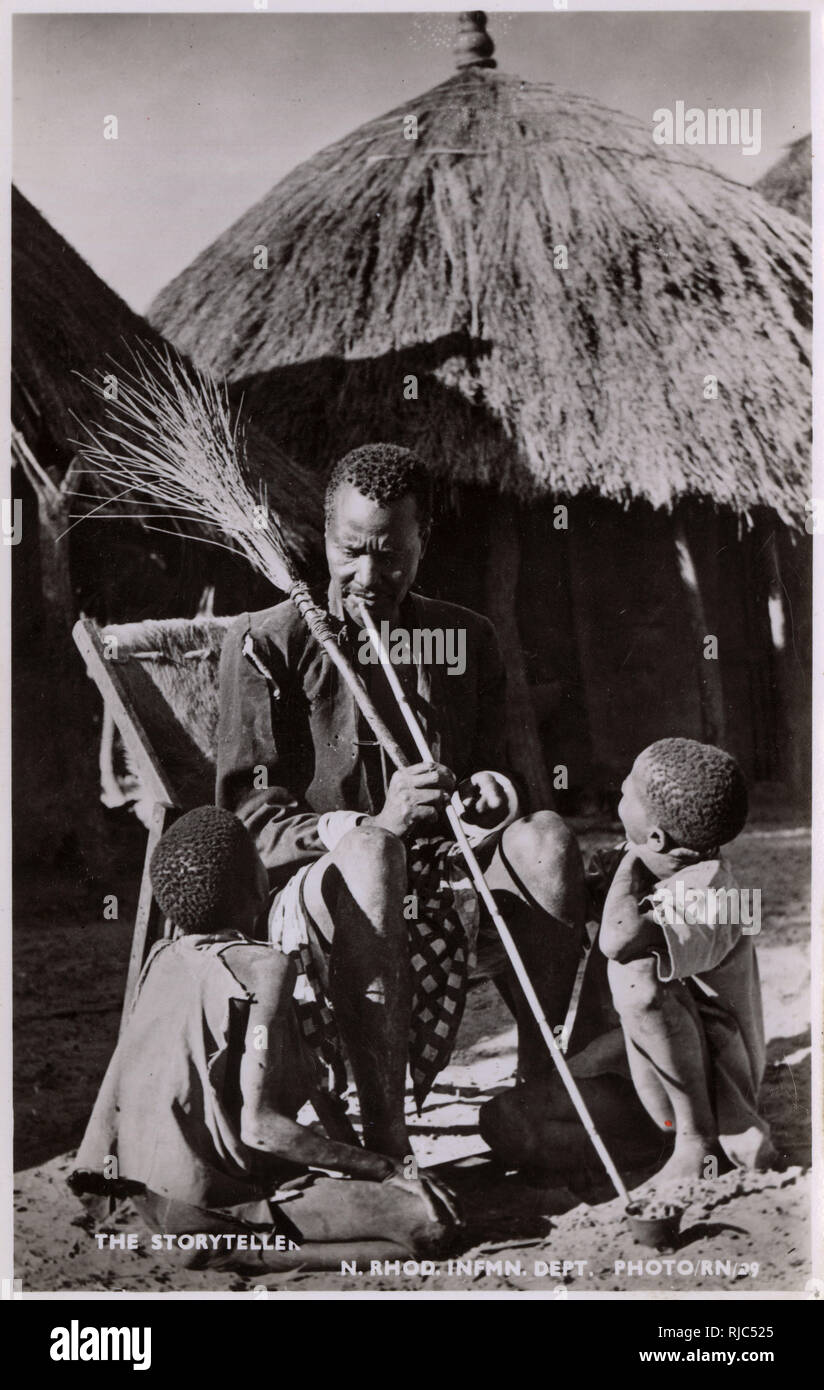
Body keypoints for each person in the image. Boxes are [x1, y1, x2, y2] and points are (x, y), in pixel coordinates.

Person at [216, 443, 586, 1164]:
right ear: (322, 539)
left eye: (393, 556)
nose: (368, 577)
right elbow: (249, 822)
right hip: (321, 886)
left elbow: (495, 776)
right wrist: (375, 823)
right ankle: (389, 1138)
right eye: (351, 552)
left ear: (424, 543)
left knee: (548, 841)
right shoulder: (267, 644)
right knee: (376, 852)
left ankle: (538, 1090)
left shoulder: (466, 638)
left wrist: (490, 794)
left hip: (443, 874)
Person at [69, 807, 459, 1274]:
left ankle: (224, 1241)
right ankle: (234, 1247)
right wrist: (387, 1169)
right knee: (428, 1222)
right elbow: (260, 1128)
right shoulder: (264, 967)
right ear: (255, 880)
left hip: (153, 1196)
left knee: (391, 1219)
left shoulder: (162, 956)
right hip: (210, 1202)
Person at [480, 739, 775, 1189]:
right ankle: (653, 1147)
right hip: (629, 1077)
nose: (619, 785)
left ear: (656, 838)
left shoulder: (713, 893)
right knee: (504, 1120)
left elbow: (620, 938)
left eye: (629, 790)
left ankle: (695, 1140)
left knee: (634, 974)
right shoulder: (656, 864)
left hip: (701, 1088)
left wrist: (627, 864)